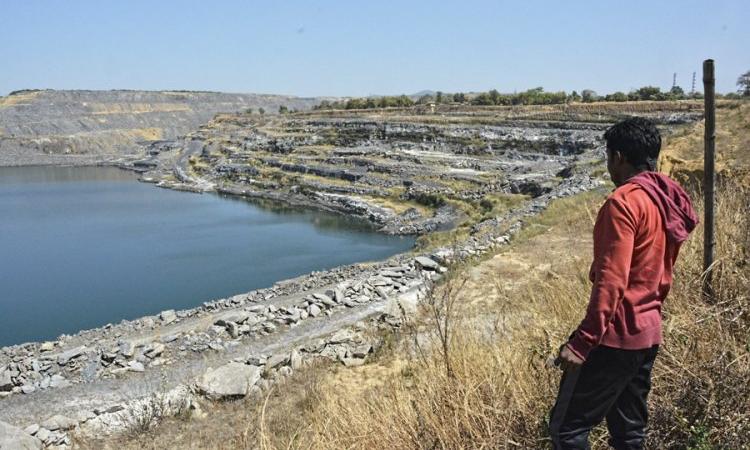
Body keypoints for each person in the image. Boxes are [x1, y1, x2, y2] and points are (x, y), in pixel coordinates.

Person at [549, 117, 698, 449]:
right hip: (648, 334)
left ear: (618, 156)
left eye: (608, 157)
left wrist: (583, 343)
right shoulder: (667, 200)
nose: (608, 165)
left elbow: (613, 281)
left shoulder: (624, 202)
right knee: (629, 432)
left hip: (615, 337)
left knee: (568, 430)